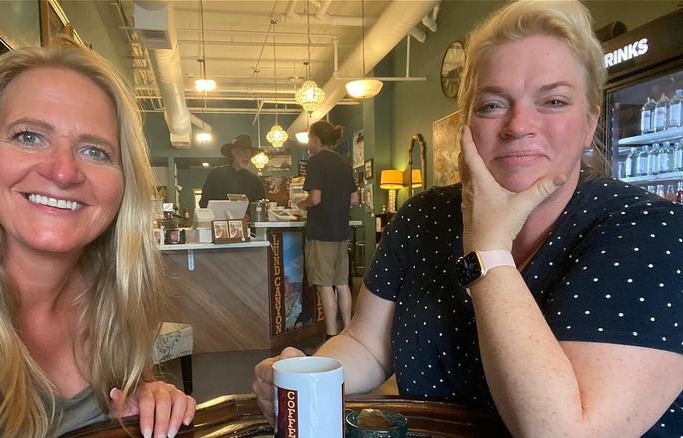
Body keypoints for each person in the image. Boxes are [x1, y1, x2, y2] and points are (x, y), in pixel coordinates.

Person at [253, 2, 683, 436]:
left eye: (553, 101)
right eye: (492, 105)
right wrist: (307, 375)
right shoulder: (424, 215)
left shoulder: (651, 231)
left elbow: (565, 431)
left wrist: (488, 251)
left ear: (590, 122)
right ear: (467, 124)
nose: (519, 125)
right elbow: (367, 344)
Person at [0, 37, 196, 438]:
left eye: (95, 151)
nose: (63, 171)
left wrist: (147, 397)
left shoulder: (114, 292)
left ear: (124, 181)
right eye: (29, 136)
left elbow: (118, 403)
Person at [296, 120, 359, 339]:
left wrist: (300, 204)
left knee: (325, 287)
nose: (308, 143)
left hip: (321, 233)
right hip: (341, 232)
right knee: (342, 284)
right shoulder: (344, 163)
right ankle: (349, 334)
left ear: (315, 137)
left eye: (308, 138)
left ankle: (331, 337)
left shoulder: (315, 161)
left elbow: (315, 198)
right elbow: (355, 198)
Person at [198, 134, 266, 208]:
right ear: (233, 152)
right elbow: (204, 203)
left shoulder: (256, 181)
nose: (248, 156)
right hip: (217, 219)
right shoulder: (216, 174)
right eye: (245, 151)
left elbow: (260, 207)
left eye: (250, 153)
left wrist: (248, 216)